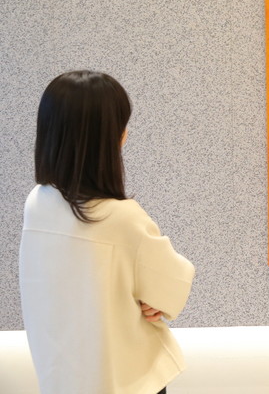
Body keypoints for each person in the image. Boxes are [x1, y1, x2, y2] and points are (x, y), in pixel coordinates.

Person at [19, 70, 196, 394]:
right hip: (127, 382)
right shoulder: (122, 218)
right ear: (109, 138)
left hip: (62, 381)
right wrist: (152, 300)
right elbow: (172, 290)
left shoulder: (37, 204)